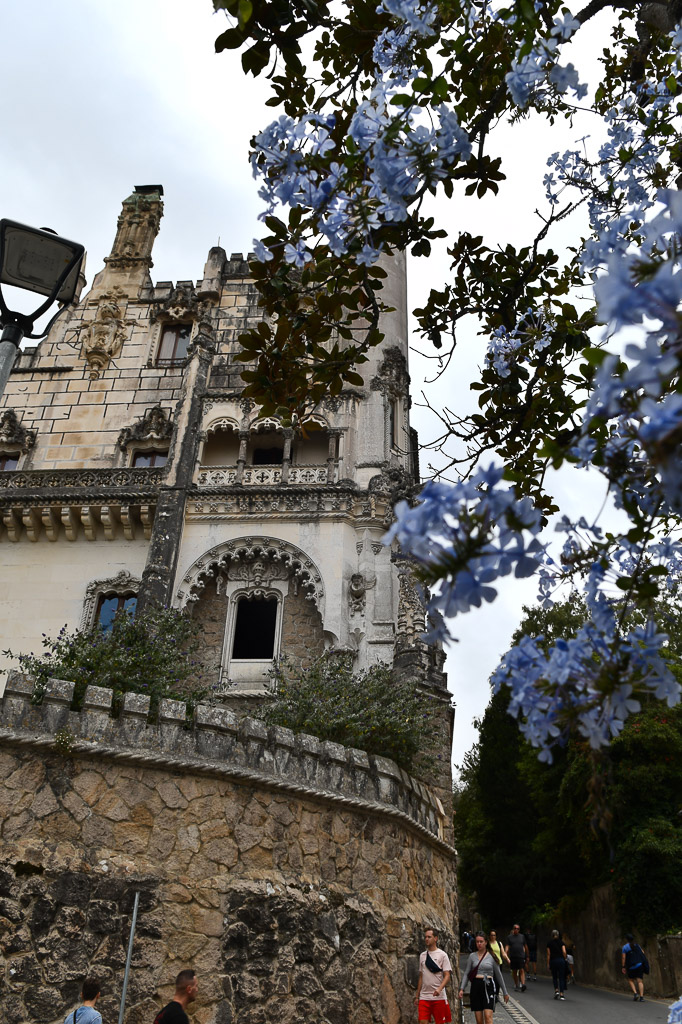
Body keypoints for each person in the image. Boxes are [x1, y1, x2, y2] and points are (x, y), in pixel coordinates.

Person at [459, 931, 509, 1024]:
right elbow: (466, 973)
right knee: (479, 1020)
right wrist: (462, 988)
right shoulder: (472, 956)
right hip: (476, 987)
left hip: (488, 986)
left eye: (481, 941)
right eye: (477, 942)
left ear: (486, 942)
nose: (479, 944)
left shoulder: (492, 956)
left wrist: (505, 992)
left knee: (488, 1016)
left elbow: (498, 975)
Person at [415, 927, 453, 1024]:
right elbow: (421, 976)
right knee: (422, 1022)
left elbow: (447, 975)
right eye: (425, 937)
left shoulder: (442, 955)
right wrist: (417, 996)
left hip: (438, 997)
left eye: (429, 937)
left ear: (435, 938)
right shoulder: (422, 956)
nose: (426, 939)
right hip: (424, 997)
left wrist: (439, 989)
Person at [622, 934, 647, 1002]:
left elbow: (624, 958)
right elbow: (643, 952)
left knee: (630, 980)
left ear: (626, 939)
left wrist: (623, 967)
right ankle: (641, 997)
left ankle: (635, 993)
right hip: (639, 965)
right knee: (640, 981)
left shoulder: (625, 947)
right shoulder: (637, 945)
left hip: (631, 966)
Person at [504, 924, 529, 991]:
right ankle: (517, 984)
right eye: (515, 928)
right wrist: (505, 953)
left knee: (521, 970)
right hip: (513, 956)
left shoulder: (522, 937)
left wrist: (527, 956)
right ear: (513, 929)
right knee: (514, 971)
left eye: (518, 928)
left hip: (521, 956)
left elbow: (526, 946)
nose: (516, 930)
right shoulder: (510, 937)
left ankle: (523, 984)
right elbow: (507, 946)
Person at [546, 929, 568, 1000]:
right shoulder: (561, 943)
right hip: (561, 960)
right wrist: (565, 958)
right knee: (561, 977)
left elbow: (548, 954)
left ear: (552, 935)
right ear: (558, 935)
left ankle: (556, 990)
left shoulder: (549, 943)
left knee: (554, 976)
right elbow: (564, 952)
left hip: (553, 961)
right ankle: (562, 994)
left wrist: (548, 963)